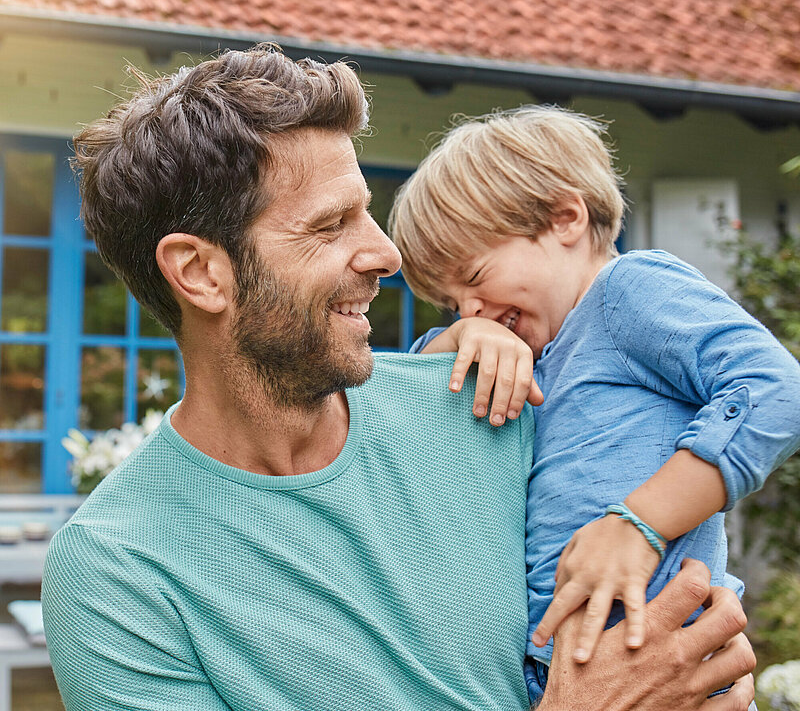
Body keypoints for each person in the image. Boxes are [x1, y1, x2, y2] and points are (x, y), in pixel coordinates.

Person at [42, 47, 756, 711]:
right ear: (200, 273)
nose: (385, 254)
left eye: (368, 214)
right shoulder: (120, 573)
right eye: (331, 226)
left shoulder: (488, 402)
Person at [389, 105, 800, 705]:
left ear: (565, 219)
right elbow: (401, 391)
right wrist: (456, 339)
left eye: (476, 276)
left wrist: (640, 526)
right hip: (563, 679)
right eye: (452, 304)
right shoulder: (528, 353)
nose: (470, 310)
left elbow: (774, 389)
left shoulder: (626, 292)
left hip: (665, 655)